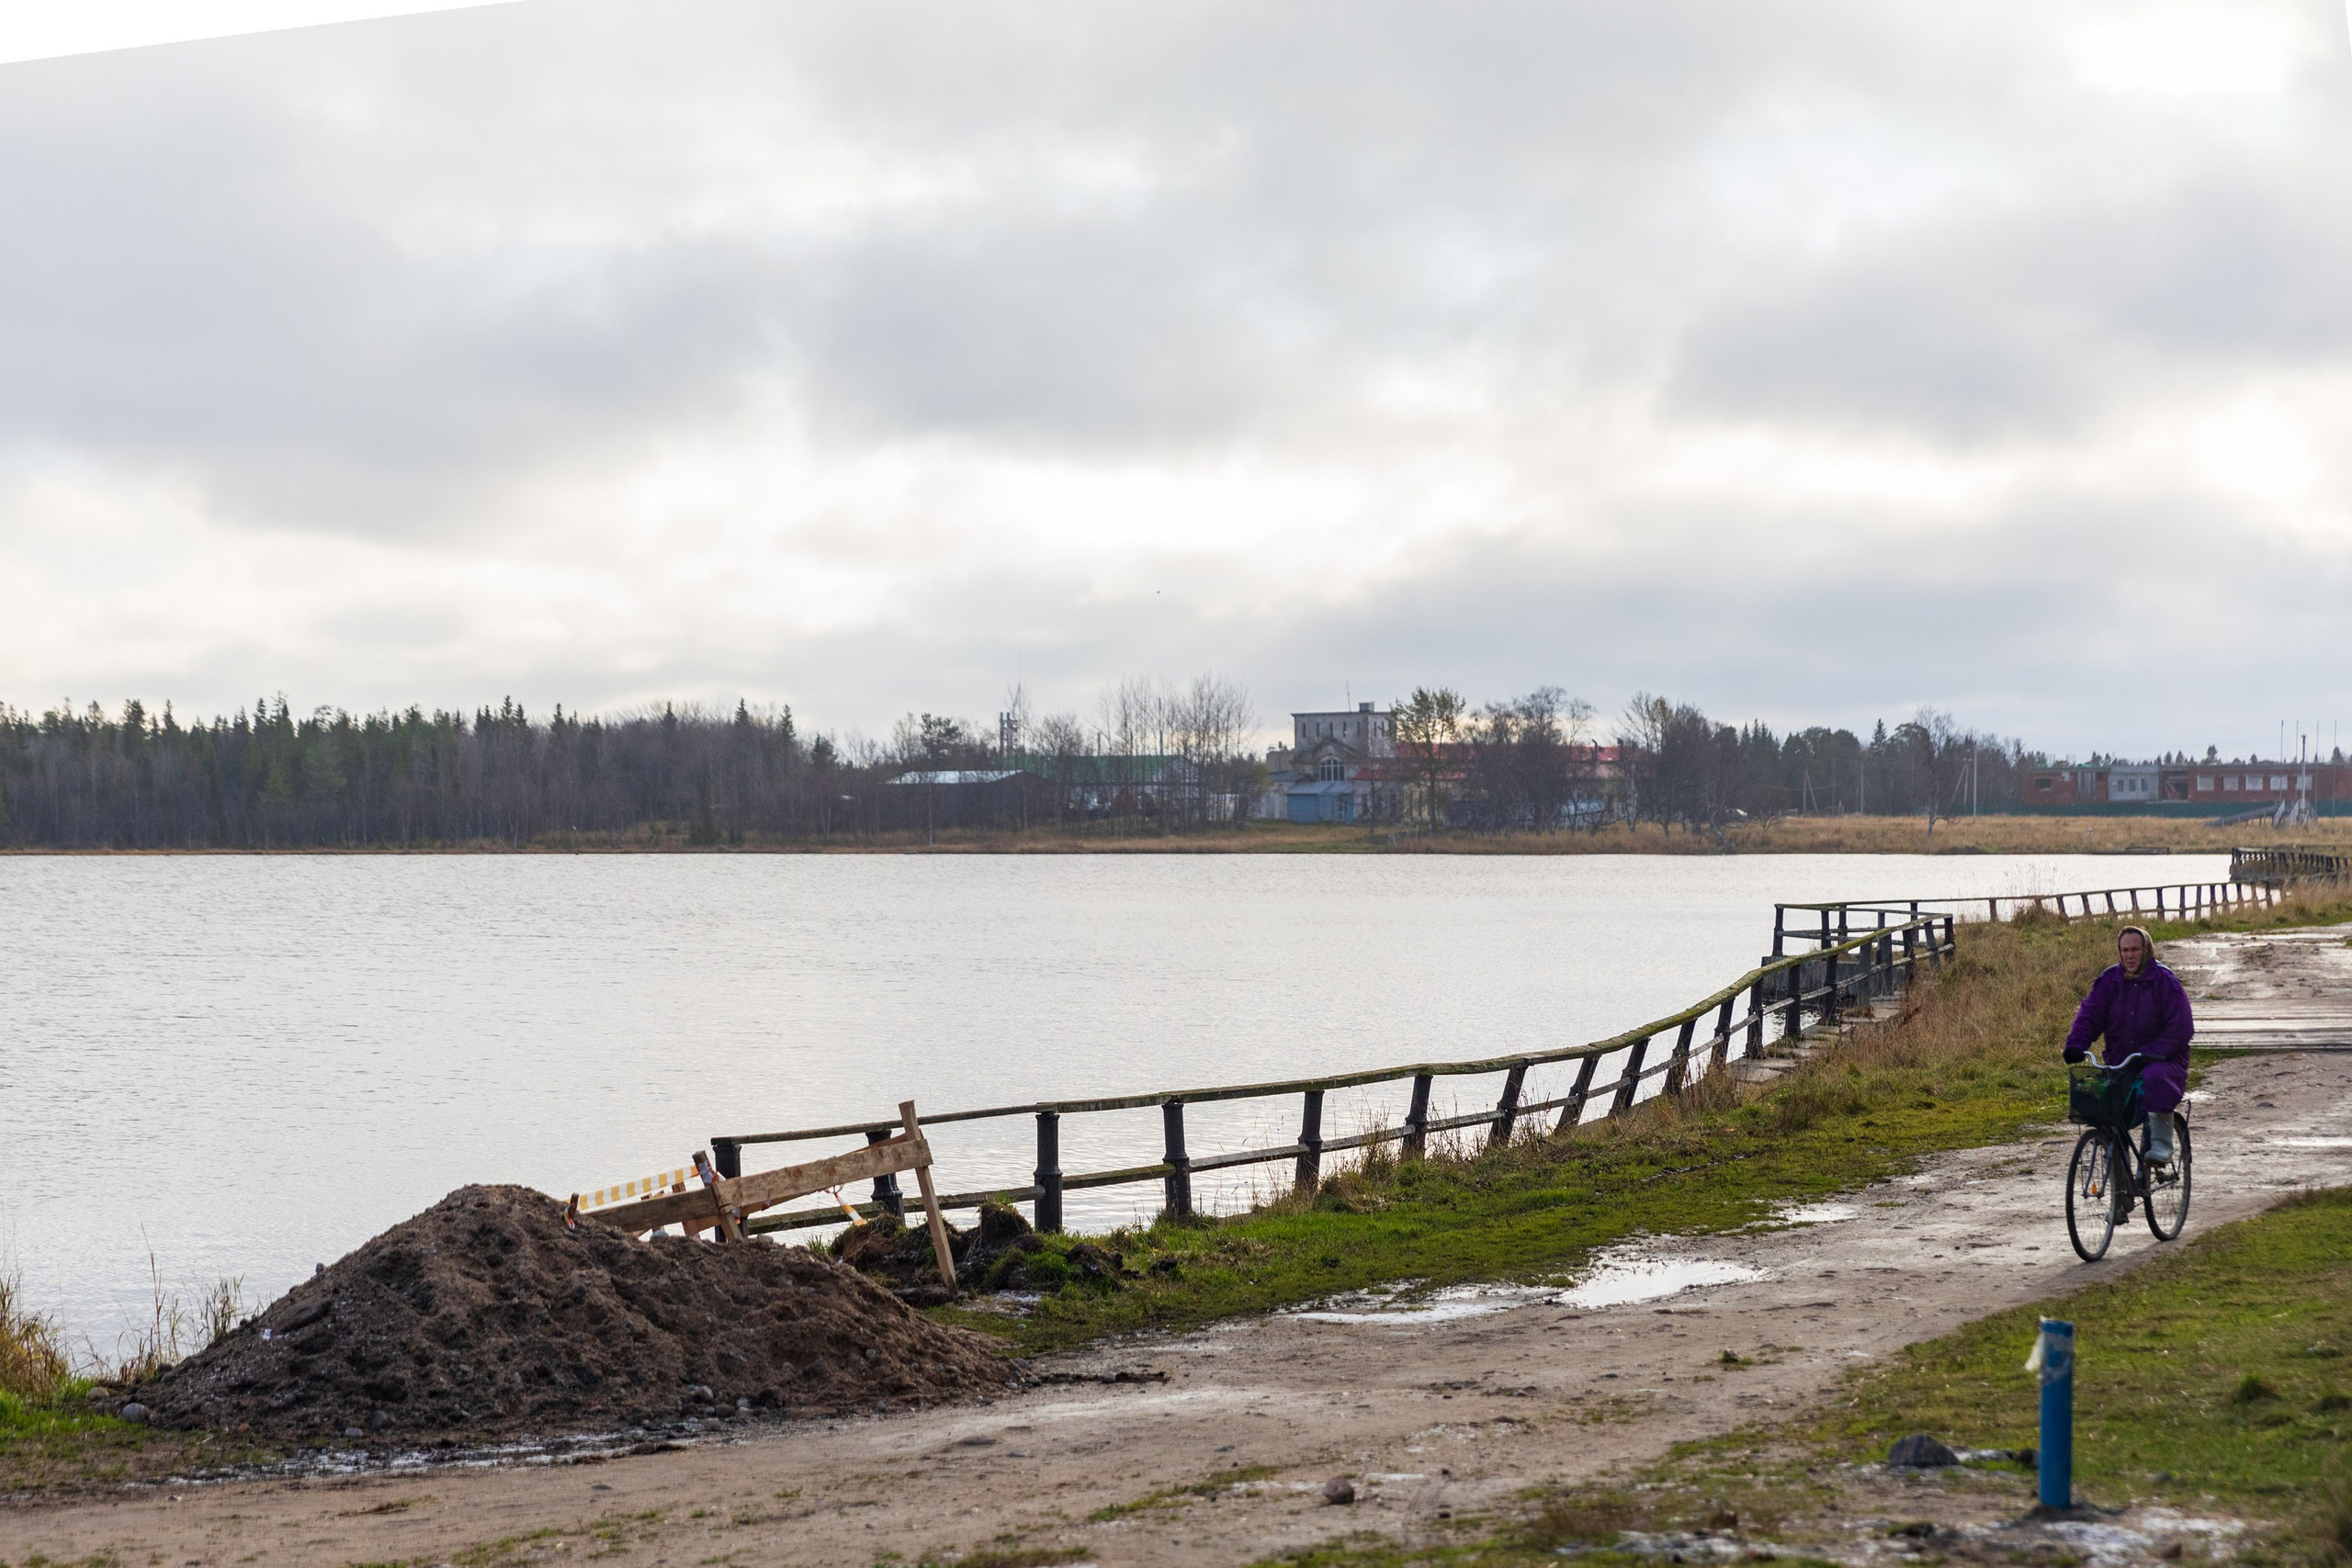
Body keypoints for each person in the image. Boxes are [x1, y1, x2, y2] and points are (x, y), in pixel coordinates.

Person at [2063, 925, 2193, 1167]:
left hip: (2164, 1060)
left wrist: (2154, 1052)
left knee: (2155, 1079)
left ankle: (2161, 1146)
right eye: (2125, 950)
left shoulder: (2165, 982)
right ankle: (2117, 1171)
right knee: (2099, 1095)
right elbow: (2090, 1015)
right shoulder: (2109, 981)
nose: (2130, 955)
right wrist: (2076, 1045)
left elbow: (2182, 1028)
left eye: (2135, 949)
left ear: (2146, 950)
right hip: (2121, 1059)